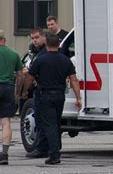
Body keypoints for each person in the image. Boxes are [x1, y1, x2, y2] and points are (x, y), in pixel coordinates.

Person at [22, 33, 81, 165]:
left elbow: (30, 78)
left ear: (47, 44)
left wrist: (25, 90)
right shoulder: (66, 60)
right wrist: (78, 98)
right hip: (60, 96)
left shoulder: (40, 60)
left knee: (49, 124)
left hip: (45, 95)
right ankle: (53, 149)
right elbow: (74, 80)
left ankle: (54, 154)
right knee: (56, 123)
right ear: (58, 45)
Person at [0, 30, 23, 165]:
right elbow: (20, 76)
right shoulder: (14, 54)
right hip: (8, 88)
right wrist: (17, 93)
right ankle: (4, 154)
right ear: (4, 39)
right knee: (6, 121)